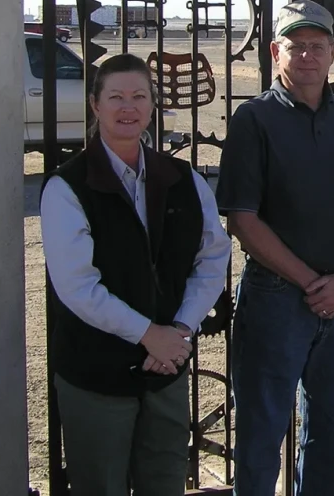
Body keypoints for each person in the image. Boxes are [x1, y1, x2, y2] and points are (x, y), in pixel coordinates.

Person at [215, 0, 334, 496]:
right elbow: (243, 220)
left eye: (318, 46)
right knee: (261, 435)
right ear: (276, 52)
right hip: (277, 300)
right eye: (296, 46)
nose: (308, 56)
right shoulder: (254, 120)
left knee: (333, 434)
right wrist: (315, 284)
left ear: (333, 52)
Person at [40, 52, 232, 495]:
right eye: (116, 97)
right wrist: (149, 334)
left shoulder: (182, 179)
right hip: (97, 374)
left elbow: (213, 255)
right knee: (101, 485)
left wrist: (179, 329)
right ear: (95, 105)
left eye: (139, 96)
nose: (128, 107)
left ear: (151, 105)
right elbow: (77, 286)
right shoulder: (67, 187)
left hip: (166, 368)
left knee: (164, 481)